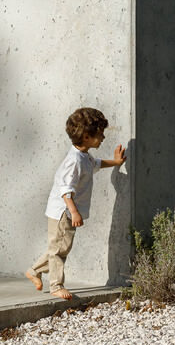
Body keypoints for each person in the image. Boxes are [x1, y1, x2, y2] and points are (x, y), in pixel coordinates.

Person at [25, 107, 126, 300]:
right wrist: (74, 211)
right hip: (63, 211)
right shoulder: (74, 160)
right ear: (87, 136)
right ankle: (56, 285)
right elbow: (65, 189)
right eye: (100, 134)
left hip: (67, 210)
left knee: (59, 247)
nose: (103, 138)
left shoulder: (84, 156)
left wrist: (115, 162)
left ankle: (34, 271)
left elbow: (95, 164)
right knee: (59, 250)